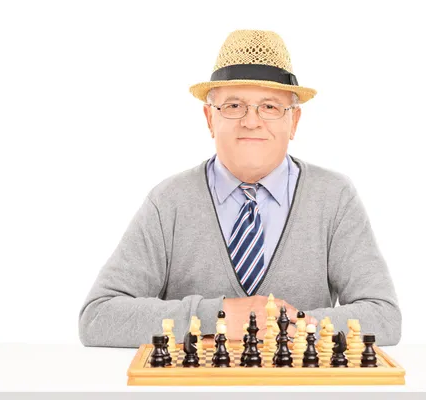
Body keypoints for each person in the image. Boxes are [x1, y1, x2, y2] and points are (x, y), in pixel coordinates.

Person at [78, 29, 401, 348]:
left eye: (270, 107)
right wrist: (218, 315)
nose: (251, 121)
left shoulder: (334, 197)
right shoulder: (169, 201)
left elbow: (384, 317)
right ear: (209, 118)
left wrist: (285, 324)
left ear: (295, 121)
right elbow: (98, 317)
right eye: (233, 106)